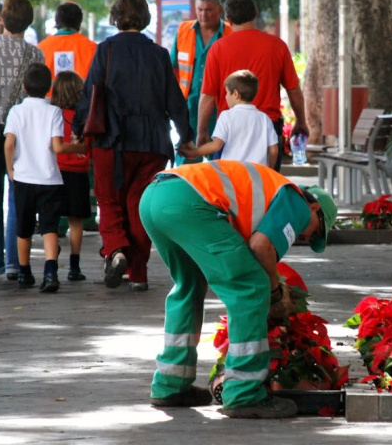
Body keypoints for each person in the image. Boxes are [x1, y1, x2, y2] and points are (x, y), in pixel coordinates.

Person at [140, 160, 337, 418]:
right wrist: (275, 292)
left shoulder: (274, 193)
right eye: (316, 231)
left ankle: (171, 385)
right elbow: (261, 246)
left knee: (189, 285)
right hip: (188, 203)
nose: (307, 237)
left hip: (155, 197)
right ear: (314, 208)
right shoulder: (297, 202)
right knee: (251, 288)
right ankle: (244, 394)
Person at [72, 0, 193, 292]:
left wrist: (77, 128)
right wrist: (186, 135)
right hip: (152, 142)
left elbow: (90, 94)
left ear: (116, 17)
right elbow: (175, 100)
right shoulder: (159, 54)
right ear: (145, 17)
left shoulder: (106, 50)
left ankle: (116, 251)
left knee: (108, 199)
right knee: (140, 206)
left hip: (111, 140)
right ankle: (138, 274)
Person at [197, 0, 308, 172]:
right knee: (266, 183)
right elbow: (293, 90)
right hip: (267, 129)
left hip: (229, 129)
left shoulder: (217, 49)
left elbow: (208, 96)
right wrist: (301, 121)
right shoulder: (277, 46)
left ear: (228, 19)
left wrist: (202, 130)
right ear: (255, 14)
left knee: (228, 183)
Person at [4, 63, 87, 293]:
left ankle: (24, 272)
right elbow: (58, 147)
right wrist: (81, 148)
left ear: (24, 86)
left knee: (24, 228)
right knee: (49, 227)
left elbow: (9, 143)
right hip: (49, 178)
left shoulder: (16, 111)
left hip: (23, 178)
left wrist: (10, 169)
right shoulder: (53, 112)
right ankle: (51, 273)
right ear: (48, 87)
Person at [0, 0, 45, 281]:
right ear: (29, 22)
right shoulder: (36, 54)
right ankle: (15, 262)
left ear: (3, 19)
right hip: (22, 132)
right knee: (19, 197)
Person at [37, 1, 98, 235]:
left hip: (49, 114)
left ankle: (57, 221)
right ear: (79, 23)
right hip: (82, 114)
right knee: (84, 166)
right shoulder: (91, 48)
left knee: (53, 164)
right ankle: (86, 216)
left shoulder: (42, 48)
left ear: (56, 21)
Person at [169, 0, 231, 165]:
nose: (203, 15)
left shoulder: (230, 33)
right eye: (200, 10)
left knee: (220, 162)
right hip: (189, 107)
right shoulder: (183, 31)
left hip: (220, 109)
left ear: (219, 10)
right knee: (186, 162)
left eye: (209, 10)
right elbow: (172, 69)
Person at [178, 69, 277, 167]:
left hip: (231, 172)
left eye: (227, 92)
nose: (225, 97)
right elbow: (273, 149)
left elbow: (216, 145)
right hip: (258, 172)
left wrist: (195, 152)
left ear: (236, 94)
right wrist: (270, 168)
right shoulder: (265, 119)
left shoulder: (227, 116)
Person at [51, 71, 90, 281]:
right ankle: (74, 266)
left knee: (52, 218)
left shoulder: (52, 115)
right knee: (76, 222)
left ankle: (52, 257)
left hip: (54, 172)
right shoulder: (83, 118)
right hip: (78, 173)